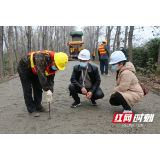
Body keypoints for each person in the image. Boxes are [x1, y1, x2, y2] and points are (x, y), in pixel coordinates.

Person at [17, 50, 68, 117]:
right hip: (24, 69)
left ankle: (38, 106)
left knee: (38, 87)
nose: (57, 68)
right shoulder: (41, 58)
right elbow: (42, 76)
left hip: (34, 71)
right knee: (28, 89)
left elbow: (51, 80)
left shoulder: (54, 65)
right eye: (57, 66)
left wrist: (50, 93)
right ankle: (31, 109)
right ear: (54, 61)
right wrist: (47, 90)